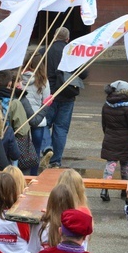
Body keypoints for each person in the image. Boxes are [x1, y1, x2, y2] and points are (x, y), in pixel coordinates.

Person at [44, 27, 88, 168]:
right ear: (67, 39)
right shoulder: (71, 52)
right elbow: (84, 73)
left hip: (49, 94)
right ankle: (55, 160)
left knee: (44, 123)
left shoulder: (45, 51)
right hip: (68, 94)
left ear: (54, 36)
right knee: (61, 128)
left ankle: (46, 148)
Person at [100, 80, 128, 202]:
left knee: (110, 165)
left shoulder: (106, 105)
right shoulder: (127, 107)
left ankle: (104, 189)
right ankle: (124, 190)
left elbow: (104, 124)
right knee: (125, 165)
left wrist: (108, 134)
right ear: (124, 92)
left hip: (110, 138)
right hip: (125, 140)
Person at [21, 52, 51, 175]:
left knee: (20, 150)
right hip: (38, 120)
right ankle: (33, 176)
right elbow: (47, 100)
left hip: (22, 119)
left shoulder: (20, 78)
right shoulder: (43, 80)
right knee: (36, 151)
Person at [29, 184, 76, 253]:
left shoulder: (41, 224)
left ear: (50, 202)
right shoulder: (75, 225)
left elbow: (34, 251)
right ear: (71, 203)